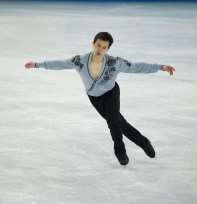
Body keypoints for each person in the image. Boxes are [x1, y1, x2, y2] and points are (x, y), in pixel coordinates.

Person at [25, 32, 175, 166]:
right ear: (93, 43)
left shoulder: (114, 63)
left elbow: (136, 67)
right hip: (95, 98)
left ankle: (120, 151)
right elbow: (60, 63)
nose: (100, 49)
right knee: (119, 122)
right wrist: (38, 64)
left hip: (111, 93)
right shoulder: (80, 61)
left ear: (108, 49)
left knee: (112, 121)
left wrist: (160, 67)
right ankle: (143, 142)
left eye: (104, 47)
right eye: (98, 45)